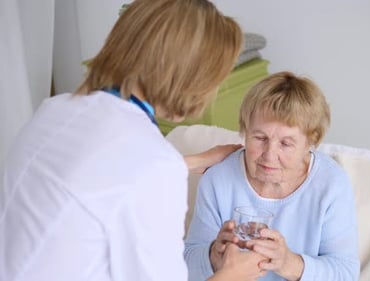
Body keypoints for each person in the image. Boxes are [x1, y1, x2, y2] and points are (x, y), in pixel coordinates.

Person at [0, 0, 266, 280]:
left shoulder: (56, 108)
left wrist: (189, 162)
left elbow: (102, 176)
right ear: (191, 77)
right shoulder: (153, 165)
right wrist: (233, 274)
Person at [184, 71, 360, 281]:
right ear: (245, 131)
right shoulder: (219, 178)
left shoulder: (331, 184)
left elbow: (346, 274)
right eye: (260, 138)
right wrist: (213, 257)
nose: (269, 155)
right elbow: (186, 262)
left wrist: (288, 263)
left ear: (310, 143)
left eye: (286, 143)